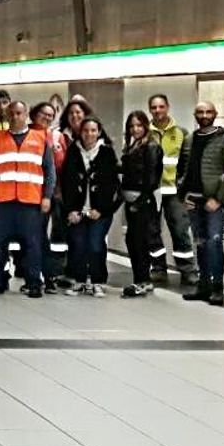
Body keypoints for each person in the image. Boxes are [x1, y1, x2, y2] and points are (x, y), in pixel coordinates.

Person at [0, 101, 54, 299]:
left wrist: (47, 196)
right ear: (7, 115)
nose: (15, 117)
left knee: (32, 245)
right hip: (2, 201)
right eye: (11, 113)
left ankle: (34, 283)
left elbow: (49, 171)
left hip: (30, 201)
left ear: (26, 114)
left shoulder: (40, 138)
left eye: (19, 113)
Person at [178, 101, 224, 306]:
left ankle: (217, 288)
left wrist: (219, 199)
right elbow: (183, 169)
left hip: (214, 202)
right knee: (201, 243)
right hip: (193, 201)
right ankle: (203, 285)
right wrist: (182, 195)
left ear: (215, 114)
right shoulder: (190, 139)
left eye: (208, 112)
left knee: (214, 242)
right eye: (200, 112)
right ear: (195, 114)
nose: (204, 115)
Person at [60, 116, 120, 296]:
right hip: (77, 211)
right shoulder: (73, 151)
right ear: (80, 132)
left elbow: (111, 185)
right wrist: (70, 210)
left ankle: (97, 281)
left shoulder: (107, 153)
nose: (89, 134)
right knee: (78, 245)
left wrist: (101, 210)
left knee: (95, 245)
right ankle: (79, 281)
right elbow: (67, 183)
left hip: (99, 212)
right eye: (86, 130)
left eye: (93, 130)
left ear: (99, 132)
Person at [146, 94, 197, 284]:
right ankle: (158, 268)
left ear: (167, 107)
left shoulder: (182, 133)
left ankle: (188, 270)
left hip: (174, 192)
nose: (157, 110)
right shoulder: (145, 133)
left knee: (180, 230)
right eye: (154, 107)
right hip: (152, 191)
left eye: (161, 106)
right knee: (151, 231)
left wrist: (184, 188)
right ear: (150, 109)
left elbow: (188, 164)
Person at [119, 111, 164, 298]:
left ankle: (142, 281)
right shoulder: (132, 146)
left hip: (142, 203)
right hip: (131, 202)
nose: (135, 129)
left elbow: (151, 178)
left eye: (138, 125)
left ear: (145, 126)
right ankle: (140, 279)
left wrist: (139, 202)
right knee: (132, 241)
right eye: (131, 126)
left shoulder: (151, 147)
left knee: (140, 242)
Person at [33, 102, 71, 291]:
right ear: (34, 114)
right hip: (34, 194)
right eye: (43, 113)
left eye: (50, 115)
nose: (47, 117)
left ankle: (54, 275)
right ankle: (36, 275)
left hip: (57, 194)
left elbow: (65, 165)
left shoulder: (58, 137)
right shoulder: (28, 135)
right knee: (37, 235)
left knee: (58, 236)